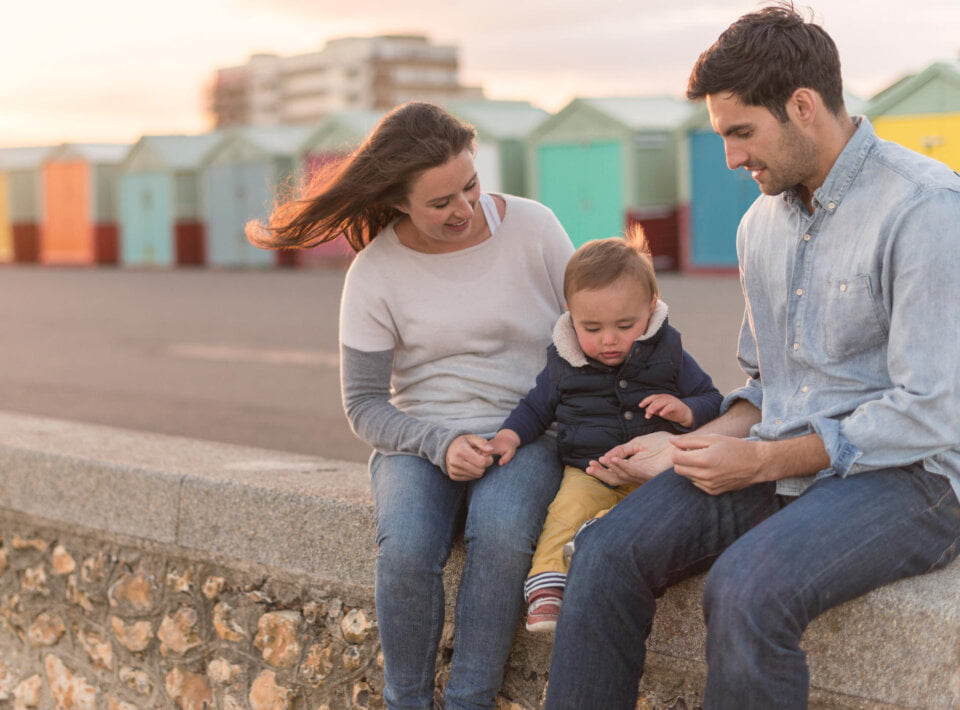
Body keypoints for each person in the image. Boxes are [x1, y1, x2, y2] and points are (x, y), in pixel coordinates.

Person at [543, 4, 960, 709]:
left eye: (742, 132)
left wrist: (765, 460)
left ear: (803, 106)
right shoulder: (758, 225)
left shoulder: (925, 209)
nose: (732, 159)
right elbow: (770, 384)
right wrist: (688, 447)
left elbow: (931, 411)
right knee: (606, 550)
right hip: (785, 462)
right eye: (723, 136)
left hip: (913, 479)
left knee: (746, 590)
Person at [247, 101, 574, 710]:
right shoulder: (374, 273)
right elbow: (365, 404)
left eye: (470, 186)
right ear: (398, 201)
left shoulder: (536, 227)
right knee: (406, 549)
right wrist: (438, 443)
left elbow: (586, 337)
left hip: (527, 433)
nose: (465, 209)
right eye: (441, 202)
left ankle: (470, 701)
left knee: (501, 533)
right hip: (417, 440)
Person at [486, 227, 721, 632]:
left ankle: (598, 540)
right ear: (570, 313)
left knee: (651, 517)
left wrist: (685, 411)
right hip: (588, 469)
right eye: (591, 328)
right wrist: (509, 436)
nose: (608, 341)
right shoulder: (566, 360)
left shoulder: (669, 354)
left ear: (650, 307)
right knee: (563, 513)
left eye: (624, 326)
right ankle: (546, 588)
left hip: (654, 471)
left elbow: (712, 399)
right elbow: (536, 407)